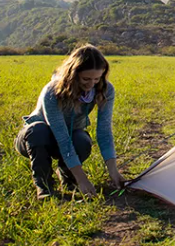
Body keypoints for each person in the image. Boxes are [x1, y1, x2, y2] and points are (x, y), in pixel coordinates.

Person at [15, 45, 126, 199]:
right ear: (73, 74)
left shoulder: (106, 90)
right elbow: (62, 137)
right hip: (36, 139)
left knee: (82, 140)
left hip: (69, 136)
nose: (91, 84)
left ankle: (67, 176)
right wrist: (82, 177)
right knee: (38, 131)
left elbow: (104, 132)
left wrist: (113, 171)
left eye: (96, 78)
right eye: (86, 79)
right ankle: (44, 186)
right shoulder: (53, 91)